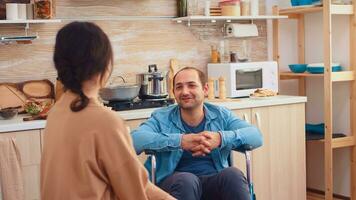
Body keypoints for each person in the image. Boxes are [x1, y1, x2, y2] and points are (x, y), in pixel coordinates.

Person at [40, 21, 174, 200]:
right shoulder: (104, 121)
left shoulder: (57, 112)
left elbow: (134, 182)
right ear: (105, 65)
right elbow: (135, 192)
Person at [131, 67, 263, 200]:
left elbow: (256, 136)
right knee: (187, 180)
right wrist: (180, 141)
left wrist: (220, 138)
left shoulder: (221, 115)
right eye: (179, 87)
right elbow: (135, 140)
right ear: (174, 92)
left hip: (213, 181)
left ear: (205, 89)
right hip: (175, 184)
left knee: (233, 174)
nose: (185, 91)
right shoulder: (161, 117)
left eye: (191, 85)